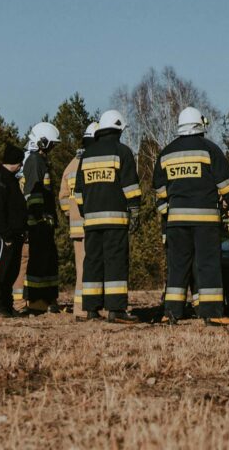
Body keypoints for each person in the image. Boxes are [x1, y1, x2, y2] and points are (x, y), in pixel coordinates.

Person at [153, 106, 229, 326]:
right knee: (208, 265)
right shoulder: (209, 149)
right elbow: (226, 183)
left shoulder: (166, 153)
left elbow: (160, 191)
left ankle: (171, 313)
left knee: (177, 266)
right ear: (199, 125)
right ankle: (212, 312)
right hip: (205, 221)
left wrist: (169, 213)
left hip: (176, 222)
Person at [73, 110, 141, 323]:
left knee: (92, 261)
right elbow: (130, 186)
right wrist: (135, 210)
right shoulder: (122, 151)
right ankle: (116, 309)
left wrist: (87, 212)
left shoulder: (87, 155)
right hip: (115, 220)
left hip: (92, 220)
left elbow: (78, 192)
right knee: (115, 262)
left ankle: (92, 309)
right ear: (119, 128)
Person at [59, 121, 98, 319]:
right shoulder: (95, 162)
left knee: (82, 268)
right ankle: (95, 307)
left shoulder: (70, 166)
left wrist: (72, 213)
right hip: (94, 224)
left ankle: (80, 309)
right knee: (97, 267)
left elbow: (63, 199)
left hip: (77, 228)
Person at [21, 122, 61, 313]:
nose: (52, 149)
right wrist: (39, 217)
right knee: (38, 262)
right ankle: (37, 301)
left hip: (43, 222)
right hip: (38, 223)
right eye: (51, 145)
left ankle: (47, 298)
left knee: (48, 260)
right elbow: (33, 192)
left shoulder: (39, 161)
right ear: (42, 142)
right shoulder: (35, 161)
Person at [0, 142, 27, 317]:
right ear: (14, 162)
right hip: (5, 237)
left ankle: (7, 305)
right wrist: (6, 235)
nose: (21, 166)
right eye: (20, 162)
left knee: (11, 272)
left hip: (16, 235)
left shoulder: (11, 181)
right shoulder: (0, 182)